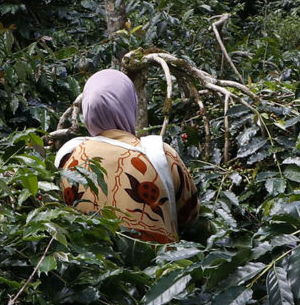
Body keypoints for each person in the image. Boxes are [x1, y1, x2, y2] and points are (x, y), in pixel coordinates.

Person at [55, 69, 198, 243]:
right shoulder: (163, 154)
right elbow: (190, 217)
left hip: (87, 266)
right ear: (130, 105)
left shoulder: (67, 157)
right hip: (158, 267)